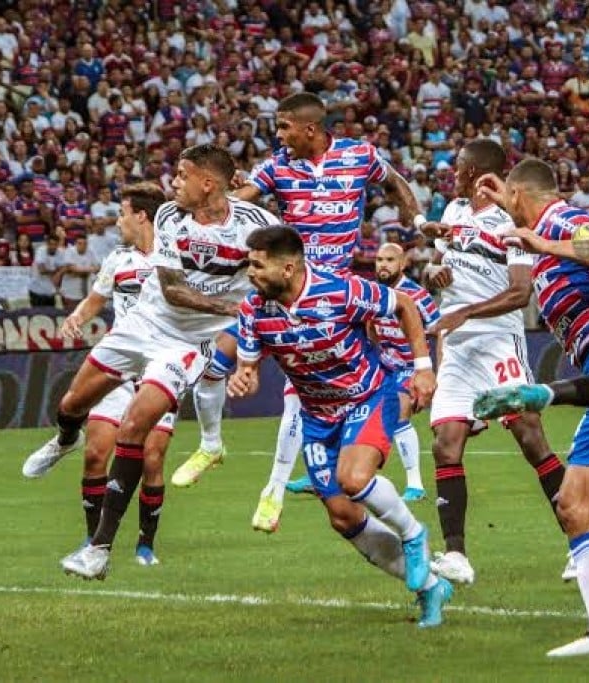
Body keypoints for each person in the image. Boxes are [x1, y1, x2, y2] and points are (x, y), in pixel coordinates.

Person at [22, 144, 280, 579]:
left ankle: (98, 549)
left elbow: (286, 264)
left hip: (185, 346)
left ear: (208, 183)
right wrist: (238, 311)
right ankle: (66, 439)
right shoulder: (169, 217)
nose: (173, 183)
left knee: (134, 427)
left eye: (181, 175)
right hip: (142, 325)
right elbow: (175, 290)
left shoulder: (258, 226)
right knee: (71, 405)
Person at [171, 93, 426, 533]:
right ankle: (213, 445)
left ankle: (280, 488)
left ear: (310, 128)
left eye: (285, 127)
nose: (279, 135)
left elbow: (395, 182)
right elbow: (241, 198)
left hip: (335, 298)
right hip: (280, 291)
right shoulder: (277, 167)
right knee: (216, 364)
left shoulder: (358, 156)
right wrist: (203, 199)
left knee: (328, 391)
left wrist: (419, 223)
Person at [228, 224, 452, 628]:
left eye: (258, 265)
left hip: (366, 397)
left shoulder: (341, 290)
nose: (250, 273)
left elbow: (403, 304)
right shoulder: (252, 311)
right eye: (249, 264)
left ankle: (414, 533)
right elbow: (249, 364)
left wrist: (422, 368)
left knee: (354, 477)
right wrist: (245, 376)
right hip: (317, 416)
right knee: (343, 516)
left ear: (289, 268)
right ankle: (431, 587)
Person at [474, 157, 589, 657]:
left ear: (523, 195)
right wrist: (501, 207)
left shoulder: (558, 220)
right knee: (574, 504)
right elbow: (523, 228)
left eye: (509, 200)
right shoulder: (536, 226)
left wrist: (542, 240)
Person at [417, 139, 567, 585]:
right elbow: (439, 269)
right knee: (445, 442)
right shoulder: (452, 213)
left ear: (482, 176)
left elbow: (521, 293)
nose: (452, 174)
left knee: (529, 436)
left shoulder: (512, 221)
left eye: (459, 168)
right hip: (460, 348)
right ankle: (456, 555)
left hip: (499, 342)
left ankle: (581, 542)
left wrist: (464, 311)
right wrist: (434, 274)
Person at [23, 183, 173, 566]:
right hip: (120, 365)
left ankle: (145, 545)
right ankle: (93, 542)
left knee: (152, 457)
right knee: (95, 455)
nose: (117, 221)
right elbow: (95, 300)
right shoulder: (117, 259)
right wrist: (76, 317)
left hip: (159, 366)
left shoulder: (175, 255)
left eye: (122, 212)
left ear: (141, 214)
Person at [373, 242, 440, 502]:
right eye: (379, 260)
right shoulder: (373, 292)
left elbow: (439, 328)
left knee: (400, 412)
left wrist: (431, 369)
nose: (383, 265)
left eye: (390, 260)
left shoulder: (416, 295)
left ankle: (415, 484)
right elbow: (370, 326)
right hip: (384, 365)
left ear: (403, 264)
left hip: (410, 367)